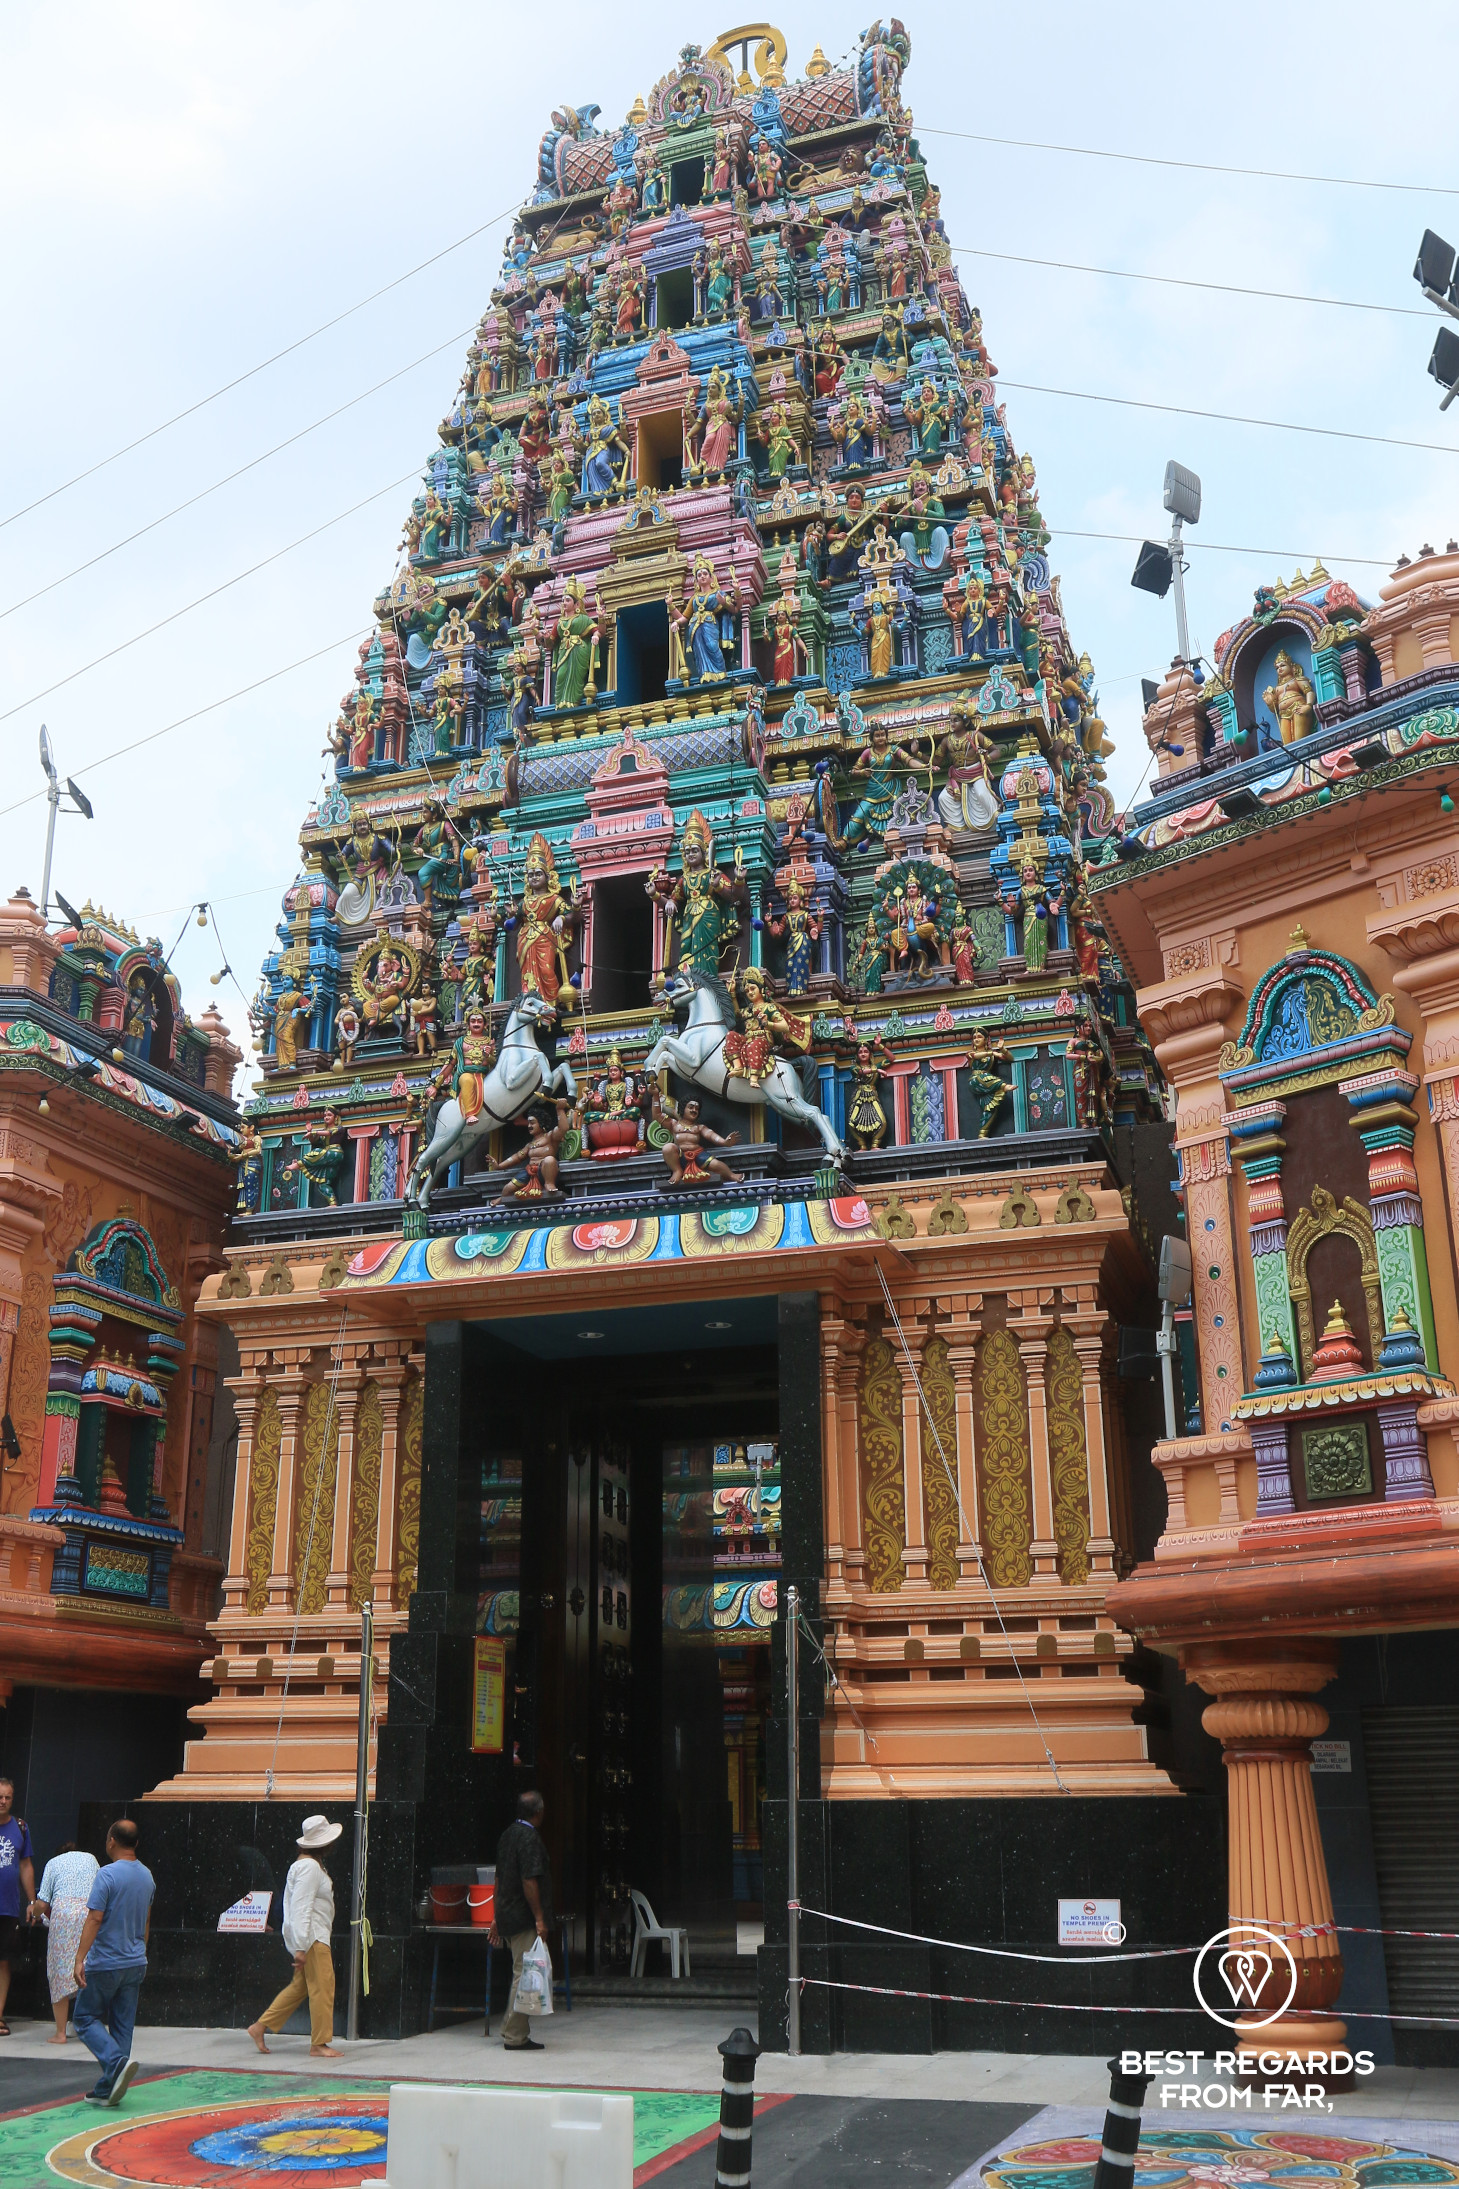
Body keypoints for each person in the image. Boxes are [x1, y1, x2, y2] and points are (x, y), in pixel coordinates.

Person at [247, 1814, 343, 2059]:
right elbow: (301, 1908)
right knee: (323, 1987)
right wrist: (301, 1947)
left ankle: (260, 2026)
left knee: (299, 1988)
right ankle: (319, 2043)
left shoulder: (306, 1865)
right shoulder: (309, 1868)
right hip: (313, 1939)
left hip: (309, 1938)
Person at [73, 1817, 154, 2106]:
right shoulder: (146, 1876)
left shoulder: (107, 1875)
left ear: (111, 1841)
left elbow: (95, 1917)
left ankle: (115, 2064)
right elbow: (145, 1920)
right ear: (136, 1844)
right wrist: (141, 1952)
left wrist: (79, 1958)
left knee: (83, 2018)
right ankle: (109, 2086)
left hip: (106, 1961)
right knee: (123, 2026)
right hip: (135, 1961)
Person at [490, 1791, 553, 2052]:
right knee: (525, 1974)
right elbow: (529, 1880)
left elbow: (499, 1878)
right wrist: (539, 1918)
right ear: (537, 1812)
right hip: (522, 1915)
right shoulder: (529, 1838)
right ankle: (515, 2036)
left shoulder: (508, 1834)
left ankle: (509, 2027)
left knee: (520, 1971)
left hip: (507, 1912)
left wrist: (496, 1915)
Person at [28, 1839, 99, 2042]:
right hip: (88, 1913)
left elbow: (42, 1903)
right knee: (87, 1965)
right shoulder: (91, 1859)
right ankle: (86, 2026)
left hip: (63, 1915)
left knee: (59, 1971)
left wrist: (34, 1912)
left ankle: (60, 2032)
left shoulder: (53, 1863)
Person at [0, 1776, 35, 2036]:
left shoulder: (21, 1827)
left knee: (3, 1962)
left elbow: (25, 1865)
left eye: (7, 1797)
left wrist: (32, 1901)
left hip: (8, 1907)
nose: (2, 1801)